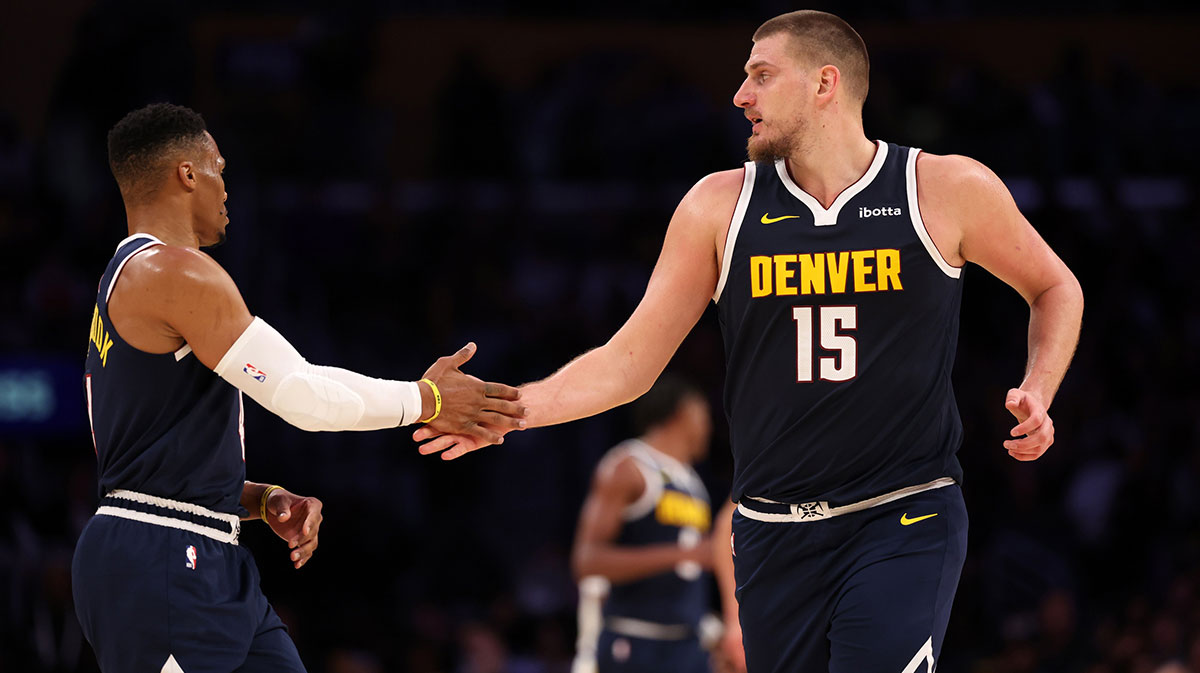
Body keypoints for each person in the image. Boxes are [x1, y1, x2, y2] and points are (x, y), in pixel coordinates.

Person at [416, 9, 1084, 672]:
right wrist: (509, 409)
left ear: (825, 84)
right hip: (770, 531)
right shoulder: (717, 205)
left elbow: (1055, 287)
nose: (740, 96)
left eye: (761, 76)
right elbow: (628, 363)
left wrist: (1039, 386)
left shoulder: (943, 188)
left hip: (901, 513)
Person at [74, 102, 527, 673]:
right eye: (219, 168)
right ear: (186, 173)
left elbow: (150, 456)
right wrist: (427, 400)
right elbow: (301, 395)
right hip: (162, 557)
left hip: (202, 548)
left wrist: (259, 500)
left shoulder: (128, 276)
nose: (226, 188)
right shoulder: (174, 273)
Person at [570, 375, 714, 673]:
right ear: (682, 412)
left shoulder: (692, 482)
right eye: (703, 414)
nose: (709, 427)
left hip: (688, 644)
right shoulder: (628, 466)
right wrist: (686, 555)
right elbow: (588, 561)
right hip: (633, 639)